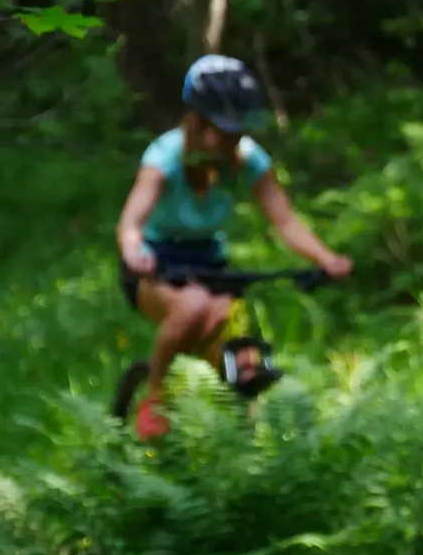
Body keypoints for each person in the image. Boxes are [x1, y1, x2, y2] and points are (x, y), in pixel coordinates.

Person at [115, 54, 353, 440]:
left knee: (240, 350)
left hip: (211, 264)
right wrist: (134, 251)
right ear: (197, 120)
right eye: (223, 130)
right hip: (156, 264)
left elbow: (285, 220)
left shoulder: (245, 157)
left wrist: (326, 259)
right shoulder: (164, 157)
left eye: (236, 131)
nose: (229, 141)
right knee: (192, 308)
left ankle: (233, 440)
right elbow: (130, 225)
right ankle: (155, 399)